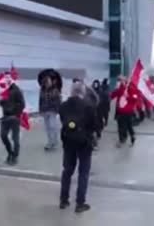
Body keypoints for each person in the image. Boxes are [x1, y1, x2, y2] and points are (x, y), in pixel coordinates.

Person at [58, 81, 96, 213]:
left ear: (72, 91)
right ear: (83, 92)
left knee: (67, 171)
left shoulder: (63, 106)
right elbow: (94, 126)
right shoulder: (88, 106)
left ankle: (63, 200)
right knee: (83, 173)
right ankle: (80, 203)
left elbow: (63, 121)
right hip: (84, 143)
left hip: (68, 142)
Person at [0, 71, 26, 165]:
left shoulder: (17, 90)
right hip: (5, 117)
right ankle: (10, 152)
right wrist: (2, 102)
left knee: (15, 138)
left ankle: (15, 156)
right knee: (3, 136)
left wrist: (14, 111)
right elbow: (3, 102)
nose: (7, 79)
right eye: (5, 77)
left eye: (8, 77)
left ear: (12, 78)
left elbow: (22, 104)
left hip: (14, 117)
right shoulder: (5, 90)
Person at [110, 76, 139, 147]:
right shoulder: (120, 88)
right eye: (118, 80)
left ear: (124, 81)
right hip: (120, 110)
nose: (118, 82)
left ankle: (124, 139)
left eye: (120, 80)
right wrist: (113, 92)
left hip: (126, 110)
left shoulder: (130, 88)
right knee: (126, 125)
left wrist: (128, 96)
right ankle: (129, 136)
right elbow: (113, 95)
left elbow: (135, 97)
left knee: (123, 125)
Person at [39, 76, 61, 151]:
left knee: (52, 126)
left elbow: (59, 101)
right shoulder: (42, 91)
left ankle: (54, 141)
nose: (48, 83)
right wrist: (40, 111)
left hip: (52, 110)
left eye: (49, 82)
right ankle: (50, 142)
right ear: (44, 83)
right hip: (45, 110)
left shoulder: (55, 90)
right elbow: (40, 101)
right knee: (47, 127)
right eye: (47, 82)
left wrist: (58, 110)